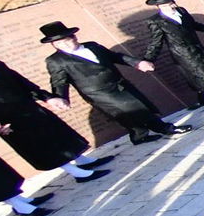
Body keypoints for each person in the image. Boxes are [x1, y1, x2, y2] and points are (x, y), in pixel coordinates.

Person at [40, 21, 192, 145]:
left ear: (74, 37)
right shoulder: (55, 61)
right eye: (58, 44)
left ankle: (139, 136)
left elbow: (115, 57)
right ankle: (165, 129)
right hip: (99, 93)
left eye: (66, 41)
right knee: (133, 108)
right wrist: (61, 97)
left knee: (138, 106)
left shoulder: (92, 46)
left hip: (118, 83)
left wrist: (137, 63)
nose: (64, 45)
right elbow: (59, 80)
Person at [0, 52, 111, 194]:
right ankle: (78, 173)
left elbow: (23, 83)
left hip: (30, 109)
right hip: (8, 121)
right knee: (44, 147)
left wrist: (46, 97)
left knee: (57, 137)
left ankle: (82, 160)